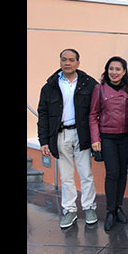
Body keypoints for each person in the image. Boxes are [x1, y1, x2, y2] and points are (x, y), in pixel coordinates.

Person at [37, 48, 98, 229]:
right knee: (66, 176)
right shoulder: (50, 86)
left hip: (82, 134)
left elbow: (97, 110)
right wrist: (43, 140)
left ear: (78, 63)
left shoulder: (89, 84)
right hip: (60, 134)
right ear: (60, 61)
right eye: (64, 59)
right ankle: (69, 210)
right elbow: (43, 114)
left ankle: (89, 207)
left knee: (86, 174)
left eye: (71, 60)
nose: (67, 63)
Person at [89, 56, 128, 231]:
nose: (114, 72)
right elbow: (93, 115)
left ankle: (118, 207)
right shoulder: (99, 89)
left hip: (126, 137)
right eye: (111, 69)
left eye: (118, 69)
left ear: (124, 72)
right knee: (112, 173)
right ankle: (110, 211)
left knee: (123, 173)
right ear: (107, 71)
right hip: (107, 137)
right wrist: (95, 139)